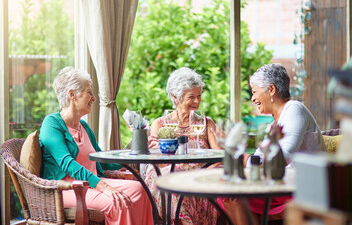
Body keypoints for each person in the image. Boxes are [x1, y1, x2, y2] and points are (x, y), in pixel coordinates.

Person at [39, 66, 153, 225]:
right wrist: (102, 185)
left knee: (140, 190)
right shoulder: (51, 124)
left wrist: (135, 151)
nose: (94, 98)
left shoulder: (84, 127)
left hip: (91, 184)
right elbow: (66, 163)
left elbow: (102, 159)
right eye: (89, 92)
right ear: (72, 94)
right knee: (117, 203)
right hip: (66, 189)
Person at [223, 63, 326, 225]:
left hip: (302, 186)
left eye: (254, 91)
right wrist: (245, 159)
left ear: (271, 89)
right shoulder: (274, 124)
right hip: (282, 184)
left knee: (236, 197)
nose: (253, 98)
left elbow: (282, 156)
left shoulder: (295, 109)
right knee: (229, 195)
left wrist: (244, 158)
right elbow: (258, 158)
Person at [142, 67, 221, 225]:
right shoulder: (160, 124)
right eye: (191, 97)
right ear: (176, 98)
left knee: (178, 189)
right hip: (169, 180)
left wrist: (198, 173)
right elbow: (158, 161)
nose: (197, 102)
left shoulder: (206, 123)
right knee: (170, 184)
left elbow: (221, 157)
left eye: (199, 96)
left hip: (199, 181)